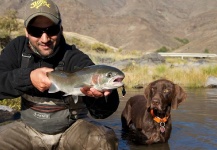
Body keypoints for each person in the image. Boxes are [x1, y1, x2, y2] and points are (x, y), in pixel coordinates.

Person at [0, 0, 119, 149]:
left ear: (61, 29)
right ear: (26, 32)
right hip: (28, 129)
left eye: (51, 30)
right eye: (36, 31)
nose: (45, 39)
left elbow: (102, 113)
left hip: (70, 130)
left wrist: (104, 96)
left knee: (103, 139)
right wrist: (28, 78)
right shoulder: (17, 49)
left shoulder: (74, 57)